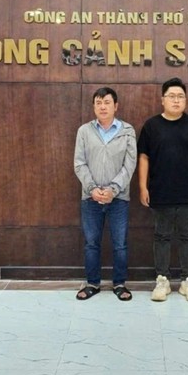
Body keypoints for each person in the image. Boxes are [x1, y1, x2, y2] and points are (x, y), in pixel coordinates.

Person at [137, 77, 188, 303]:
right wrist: (142, 186)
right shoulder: (151, 126)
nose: (176, 100)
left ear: (186, 100)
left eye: (180, 96)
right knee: (161, 236)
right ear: (162, 100)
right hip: (160, 192)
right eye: (171, 96)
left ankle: (187, 281)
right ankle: (162, 280)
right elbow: (143, 158)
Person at [74, 87, 137, 301]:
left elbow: (130, 164)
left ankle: (120, 284)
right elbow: (79, 163)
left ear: (115, 106)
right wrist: (92, 188)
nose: (103, 106)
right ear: (94, 106)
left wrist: (113, 189)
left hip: (119, 198)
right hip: (90, 197)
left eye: (107, 102)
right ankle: (92, 283)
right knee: (92, 243)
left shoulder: (127, 131)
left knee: (120, 243)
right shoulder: (84, 131)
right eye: (98, 102)